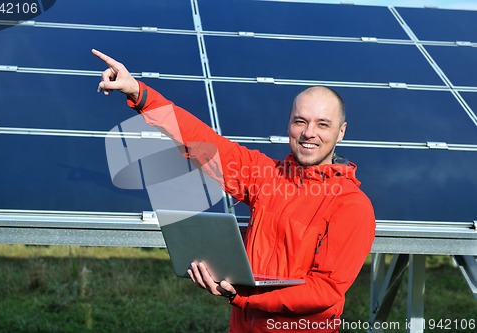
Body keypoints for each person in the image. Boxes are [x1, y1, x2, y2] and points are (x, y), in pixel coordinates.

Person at [92, 49, 376, 333]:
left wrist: (242, 296)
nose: (308, 133)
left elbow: (325, 290)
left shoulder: (351, 206)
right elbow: (203, 142)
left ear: (341, 132)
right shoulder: (267, 175)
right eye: (300, 121)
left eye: (323, 124)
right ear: (289, 123)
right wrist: (140, 93)